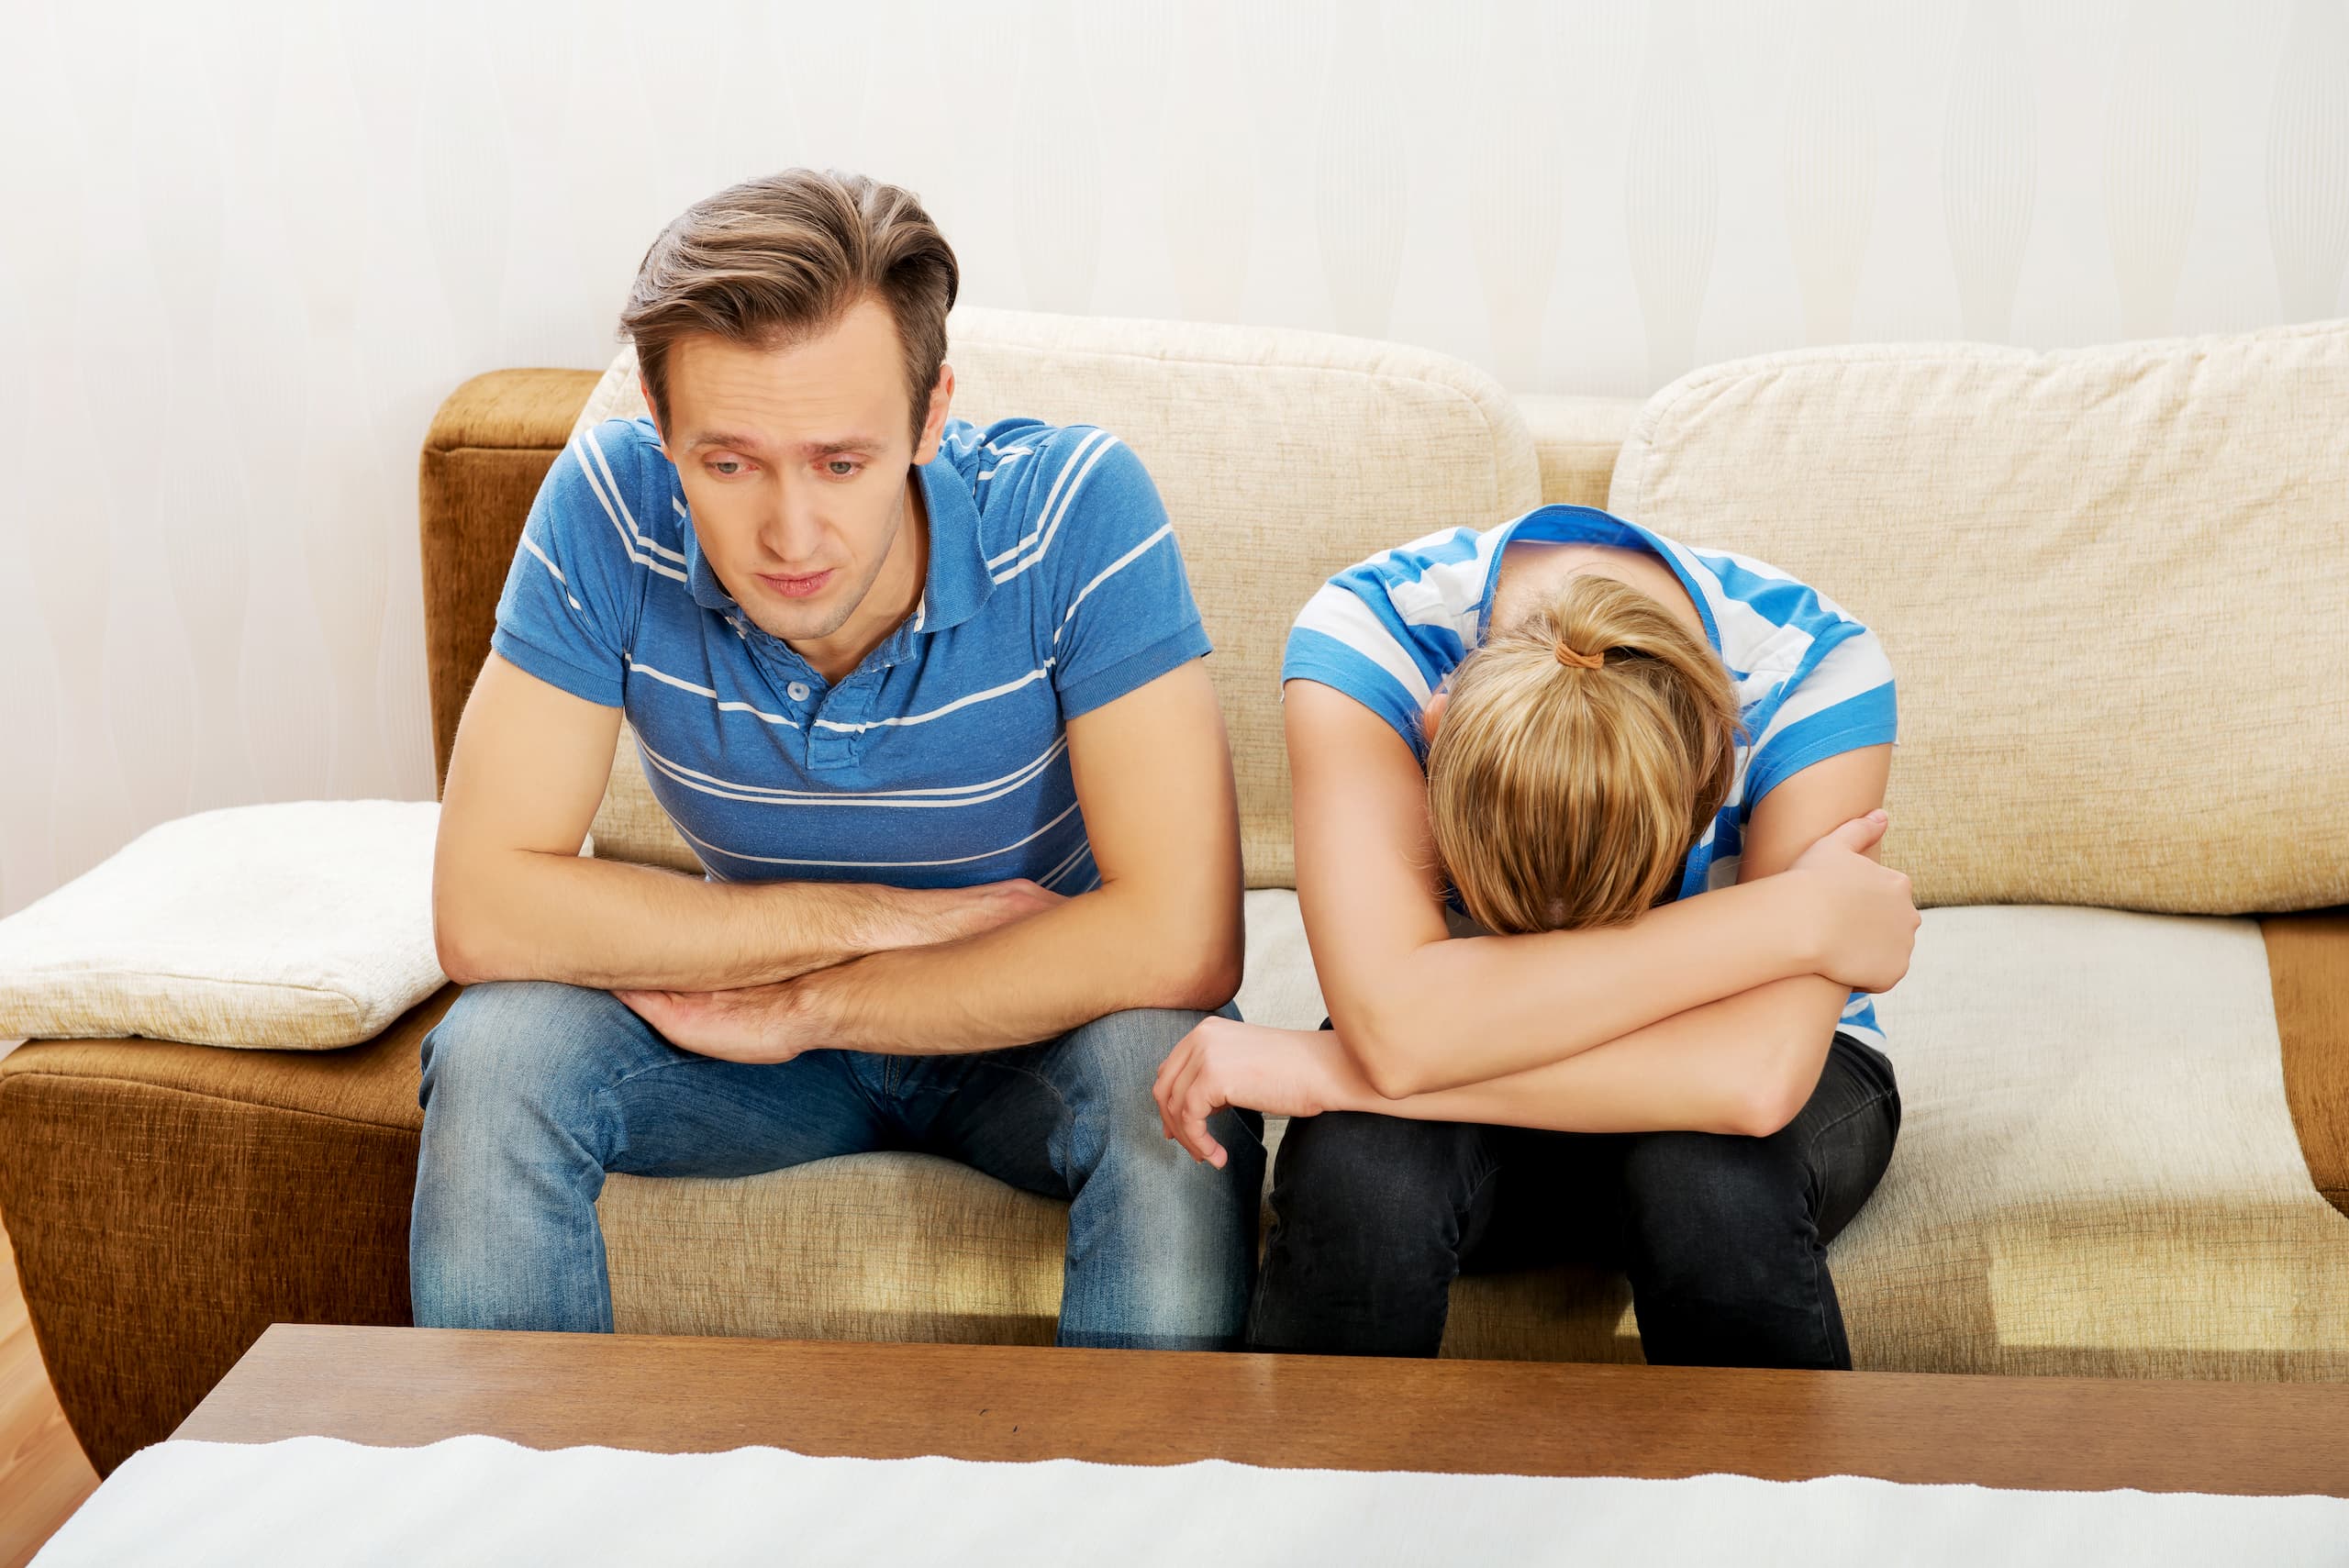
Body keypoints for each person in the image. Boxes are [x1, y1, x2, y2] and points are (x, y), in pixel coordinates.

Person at [413, 169, 1260, 1350]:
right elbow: (485, 905)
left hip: (1032, 1022)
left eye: (841, 463)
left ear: (930, 417)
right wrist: (879, 920)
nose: (790, 535)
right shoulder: (609, 505)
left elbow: (1182, 935)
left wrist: (818, 1003)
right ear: (662, 429)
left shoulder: (1076, 510)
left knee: (1164, 1070)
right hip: (755, 1043)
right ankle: (513, 1512)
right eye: (728, 463)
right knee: (500, 1046)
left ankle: (1134, 1521)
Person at [1152, 506, 1920, 1368]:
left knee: (1709, 1185)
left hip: (1696, 1062)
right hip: (1458, 1041)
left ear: (1712, 776)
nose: (1554, 934)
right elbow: (1400, 1028)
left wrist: (1339, 1070)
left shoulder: (1812, 668)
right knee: (1363, 1178)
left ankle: (1768, 1504)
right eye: (1505, 903)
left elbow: (1752, 1080)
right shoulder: (1375, 638)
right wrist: (1794, 915)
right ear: (1433, 738)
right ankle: (1313, 1495)